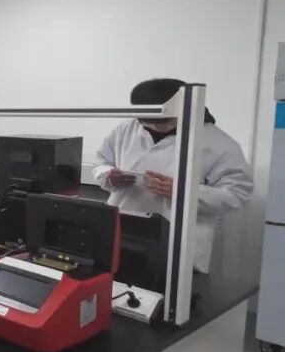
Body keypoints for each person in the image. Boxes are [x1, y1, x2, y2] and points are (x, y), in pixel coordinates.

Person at [93, 78, 253, 274]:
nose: (151, 127)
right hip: (123, 229)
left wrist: (184, 191)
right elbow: (101, 161)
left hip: (179, 240)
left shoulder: (219, 143)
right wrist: (108, 176)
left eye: (159, 122)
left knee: (168, 287)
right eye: (145, 122)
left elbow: (237, 195)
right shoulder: (127, 128)